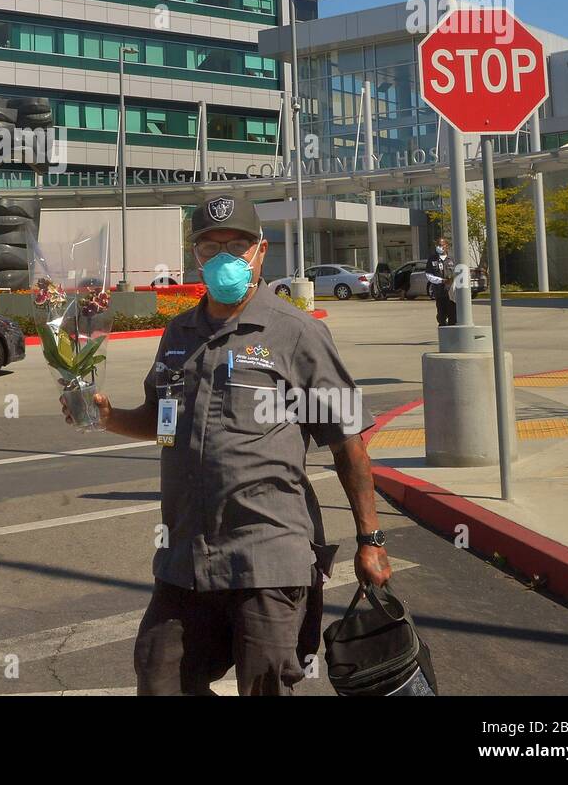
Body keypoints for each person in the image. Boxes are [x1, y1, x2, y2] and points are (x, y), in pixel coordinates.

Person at [61, 193, 392, 696]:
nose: (224, 257)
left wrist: (371, 541)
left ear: (261, 252)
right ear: (195, 255)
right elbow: (162, 422)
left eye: (236, 245)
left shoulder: (296, 333)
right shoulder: (178, 332)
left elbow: (348, 443)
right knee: (159, 677)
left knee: (264, 686)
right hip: (185, 554)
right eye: (210, 246)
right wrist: (107, 418)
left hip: (268, 552)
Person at [425, 237, 456, 326]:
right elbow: (428, 275)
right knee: (441, 316)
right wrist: (441, 281)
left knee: (453, 316)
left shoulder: (452, 259)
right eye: (437, 245)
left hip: (452, 293)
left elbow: (458, 274)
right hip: (439, 292)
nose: (439, 247)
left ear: (446, 246)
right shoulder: (432, 259)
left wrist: (452, 279)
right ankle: (443, 331)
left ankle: (451, 336)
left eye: (441, 245)